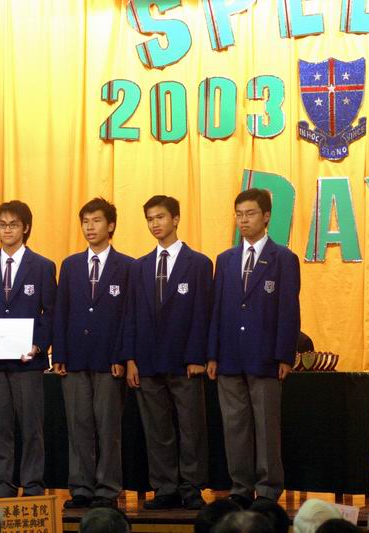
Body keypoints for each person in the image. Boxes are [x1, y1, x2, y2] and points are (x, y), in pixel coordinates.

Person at [207, 188, 301, 508]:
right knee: (235, 426)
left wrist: (284, 355)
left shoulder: (283, 258)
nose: (243, 220)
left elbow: (289, 310)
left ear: (266, 216)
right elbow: (216, 310)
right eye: (239, 214)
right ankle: (240, 486)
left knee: (266, 425)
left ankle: (269, 487)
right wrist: (212, 354)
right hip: (229, 356)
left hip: (265, 357)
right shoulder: (226, 260)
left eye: (250, 214)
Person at [121, 195, 212, 510]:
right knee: (157, 429)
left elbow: (203, 314)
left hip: (184, 361)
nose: (155, 224)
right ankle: (165, 487)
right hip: (147, 361)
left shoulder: (198, 263)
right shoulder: (139, 266)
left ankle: (191, 487)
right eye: (149, 219)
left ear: (176, 219)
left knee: (191, 428)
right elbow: (130, 314)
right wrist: (130, 359)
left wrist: (197, 357)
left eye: (160, 217)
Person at [0, 201, 56, 497]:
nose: (7, 230)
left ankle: (32, 483)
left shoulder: (43, 266)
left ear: (26, 228)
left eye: (14, 224)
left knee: (32, 426)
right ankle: (1, 482)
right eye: (3, 225)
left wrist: (38, 345)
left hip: (27, 362)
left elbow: (50, 313)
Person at [53, 197, 133, 509]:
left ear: (110, 225)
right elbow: (61, 311)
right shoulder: (70, 265)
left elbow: (128, 317)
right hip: (75, 358)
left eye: (96, 220)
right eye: (85, 221)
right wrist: (59, 353)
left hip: (109, 360)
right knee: (79, 426)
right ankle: (81, 488)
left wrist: (121, 356)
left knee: (108, 427)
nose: (90, 227)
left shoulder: (127, 266)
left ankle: (108, 488)